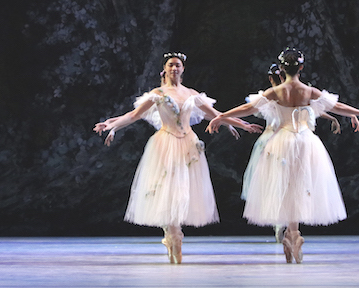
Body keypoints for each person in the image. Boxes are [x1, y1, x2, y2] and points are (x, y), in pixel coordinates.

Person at [206, 48, 359, 264]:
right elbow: (337, 106)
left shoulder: (277, 92)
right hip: (306, 141)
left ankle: (291, 232)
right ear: (301, 68)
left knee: (287, 186)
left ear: (281, 69)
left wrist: (222, 116)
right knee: (301, 184)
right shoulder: (308, 90)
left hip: (282, 141)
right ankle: (294, 232)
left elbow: (248, 108)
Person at [93, 53, 260, 264]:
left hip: (188, 144)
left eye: (177, 65)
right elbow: (133, 115)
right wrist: (112, 126)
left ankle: (175, 233)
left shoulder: (191, 94)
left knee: (183, 188)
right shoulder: (158, 93)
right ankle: (172, 232)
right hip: (165, 143)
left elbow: (216, 114)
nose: (174, 68)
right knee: (167, 187)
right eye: (171, 65)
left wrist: (240, 125)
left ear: (183, 69)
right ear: (164, 70)